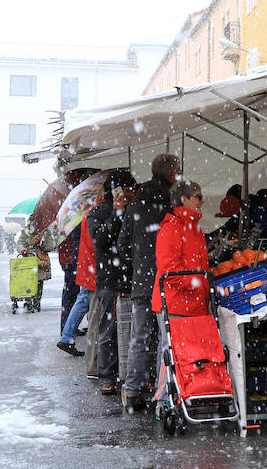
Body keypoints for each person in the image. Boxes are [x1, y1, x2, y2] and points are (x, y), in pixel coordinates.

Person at [119, 153, 181, 411]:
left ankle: (132, 392)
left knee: (140, 336)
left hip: (142, 280)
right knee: (166, 338)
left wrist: (136, 265)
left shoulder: (136, 202)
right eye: (177, 170)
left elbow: (122, 245)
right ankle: (162, 394)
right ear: (170, 174)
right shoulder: (172, 200)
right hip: (166, 279)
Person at [151, 180, 211, 404]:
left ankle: (185, 395)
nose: (202, 201)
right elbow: (170, 270)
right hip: (176, 304)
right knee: (172, 353)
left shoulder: (192, 227)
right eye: (198, 196)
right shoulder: (172, 227)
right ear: (184, 199)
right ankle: (164, 400)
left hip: (191, 303)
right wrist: (196, 282)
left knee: (187, 354)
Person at [88, 169, 138, 395]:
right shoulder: (98, 212)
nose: (131, 194)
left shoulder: (135, 210)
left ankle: (133, 374)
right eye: (128, 190)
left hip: (133, 276)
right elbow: (101, 240)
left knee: (135, 328)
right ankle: (106, 376)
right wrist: (117, 213)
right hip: (109, 278)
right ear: (116, 191)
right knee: (109, 329)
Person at [57, 200, 101, 357]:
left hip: (83, 263)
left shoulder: (79, 214)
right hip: (86, 264)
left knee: (83, 299)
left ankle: (67, 336)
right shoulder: (89, 214)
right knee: (83, 299)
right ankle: (67, 336)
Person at [58, 223, 82, 336]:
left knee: (70, 294)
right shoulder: (70, 224)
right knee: (71, 295)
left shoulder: (64, 221)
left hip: (67, 259)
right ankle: (67, 328)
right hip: (71, 260)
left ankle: (69, 326)